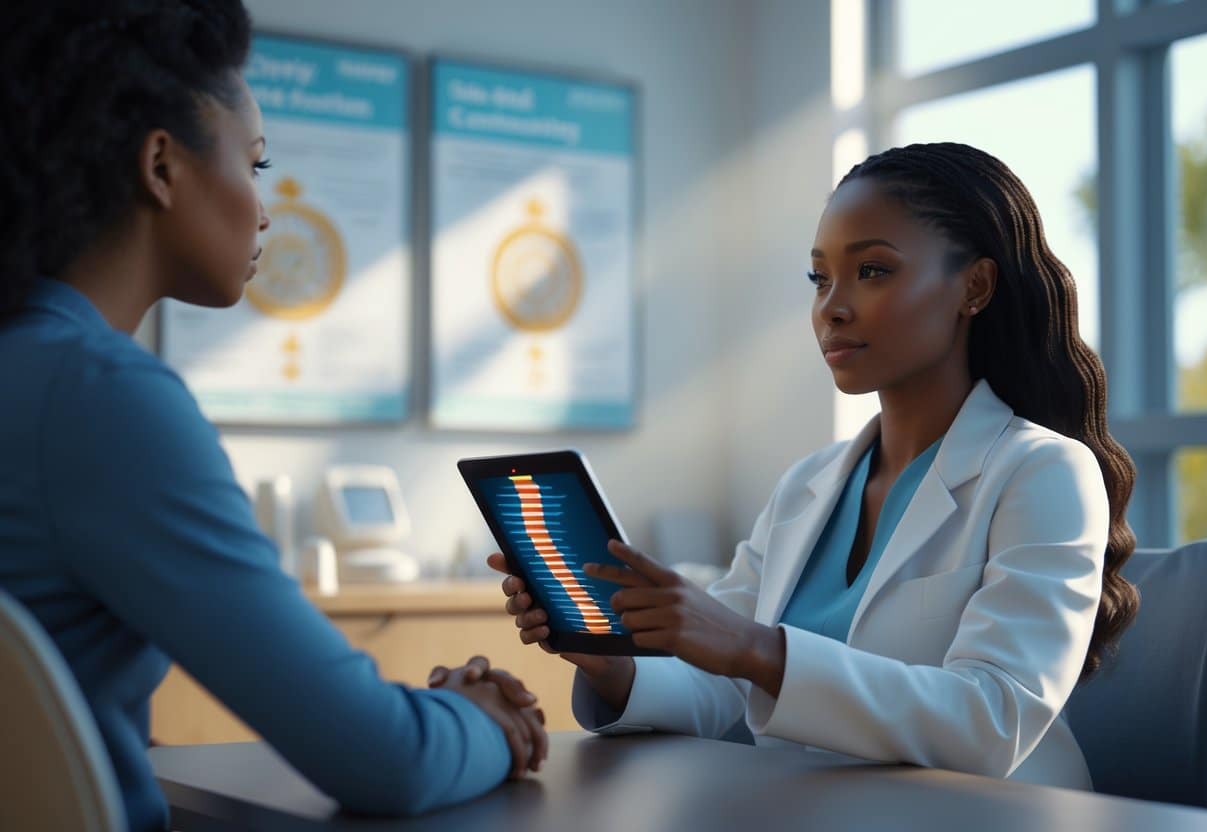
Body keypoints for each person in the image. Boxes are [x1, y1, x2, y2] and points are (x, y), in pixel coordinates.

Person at [0, 3, 545, 830]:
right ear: (160, 165)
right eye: (254, 164)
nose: (264, 210)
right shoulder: (99, 397)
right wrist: (483, 719)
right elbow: (386, 761)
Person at [485, 142, 1139, 788]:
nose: (832, 306)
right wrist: (610, 662)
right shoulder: (809, 484)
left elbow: (990, 722)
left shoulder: (1043, 472)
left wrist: (755, 649)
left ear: (974, 286)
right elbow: (718, 690)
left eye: (873, 271)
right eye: (818, 277)